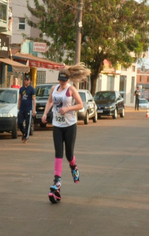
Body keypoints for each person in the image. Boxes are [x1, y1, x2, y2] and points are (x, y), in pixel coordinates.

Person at [41, 63, 90, 198]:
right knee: (58, 152)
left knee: (69, 154)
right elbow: (50, 101)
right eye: (60, 80)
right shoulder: (54, 88)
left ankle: (73, 167)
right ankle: (57, 182)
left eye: (64, 81)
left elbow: (80, 105)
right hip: (57, 125)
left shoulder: (71, 89)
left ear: (68, 80)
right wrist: (45, 114)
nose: (62, 83)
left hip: (70, 125)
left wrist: (67, 109)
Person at [18, 75, 36, 143]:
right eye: (25, 79)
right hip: (22, 108)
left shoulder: (31, 89)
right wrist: (18, 107)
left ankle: (26, 137)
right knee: (19, 122)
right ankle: (24, 133)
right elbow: (20, 98)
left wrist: (34, 109)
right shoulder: (21, 89)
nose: (26, 81)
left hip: (28, 109)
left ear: (29, 81)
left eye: (27, 80)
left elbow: (34, 100)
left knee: (28, 123)